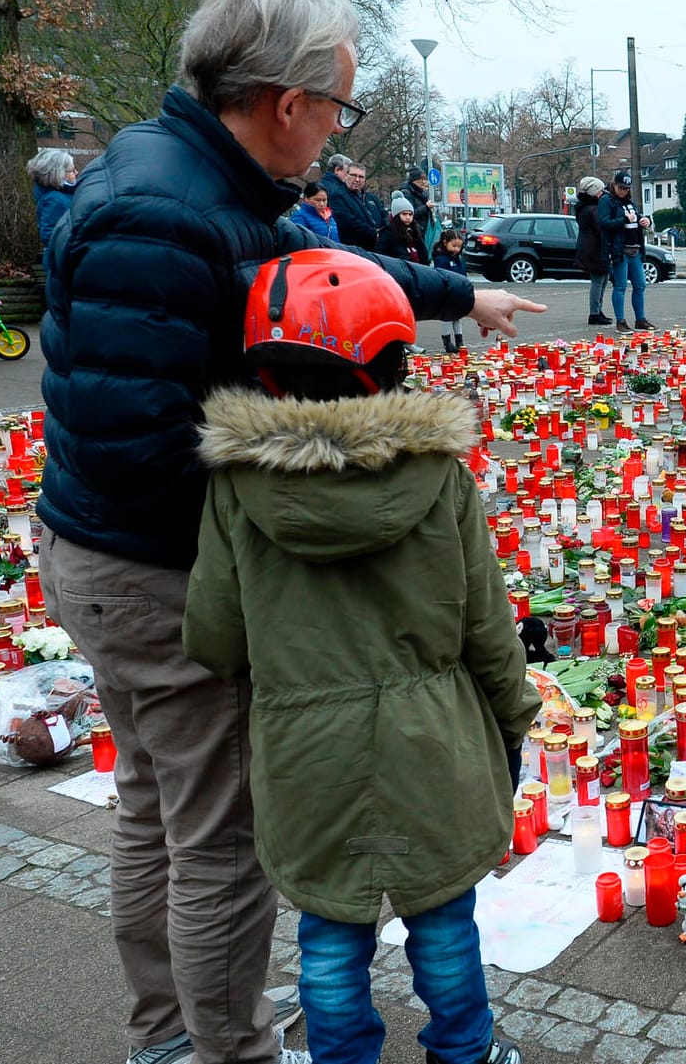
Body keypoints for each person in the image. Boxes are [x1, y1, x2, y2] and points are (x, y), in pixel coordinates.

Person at [35, 0, 545, 1063]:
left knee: (152, 807)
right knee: (217, 841)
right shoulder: (159, 215)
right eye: (341, 110)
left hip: (111, 558)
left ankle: (171, 1027)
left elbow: (302, 277)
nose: (339, 131)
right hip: (143, 569)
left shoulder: (194, 177)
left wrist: (456, 290)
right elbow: (137, 456)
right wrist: (277, 544)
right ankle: (220, 1045)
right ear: (285, 102)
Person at [185, 249, 537, 1064]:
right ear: (393, 363)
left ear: (265, 376)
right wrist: (513, 714)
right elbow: (486, 622)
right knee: (444, 919)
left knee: (330, 932)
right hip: (432, 737)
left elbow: (212, 632)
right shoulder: (438, 475)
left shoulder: (235, 484)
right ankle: (465, 1050)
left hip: (305, 747)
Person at [598, 170, 652, 331]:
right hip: (619, 250)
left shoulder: (630, 202)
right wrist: (623, 220)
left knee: (640, 285)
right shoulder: (606, 200)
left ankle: (640, 319)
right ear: (614, 185)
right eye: (621, 188)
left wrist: (645, 220)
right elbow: (604, 223)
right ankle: (620, 321)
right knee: (620, 286)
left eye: (626, 189)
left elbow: (638, 216)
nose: (623, 191)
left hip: (635, 248)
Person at [320, 153, 376, 249]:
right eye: (353, 175)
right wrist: (374, 233)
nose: (357, 180)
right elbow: (346, 222)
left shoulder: (369, 197)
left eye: (361, 177)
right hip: (353, 247)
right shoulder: (336, 194)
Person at [575, 175, 609, 326]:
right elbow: (600, 228)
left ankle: (597, 310)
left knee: (602, 279)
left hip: (589, 247)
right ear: (595, 192)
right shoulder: (593, 209)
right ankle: (594, 313)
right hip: (594, 248)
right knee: (598, 280)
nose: (604, 193)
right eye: (601, 191)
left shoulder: (583, 207)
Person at [28, 147, 78, 249]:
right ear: (58, 174)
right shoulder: (54, 200)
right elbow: (51, 237)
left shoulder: (62, 194)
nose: (76, 172)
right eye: (72, 170)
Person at [432, 229, 469, 351]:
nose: (456, 249)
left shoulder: (459, 259)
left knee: (457, 318)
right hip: (447, 292)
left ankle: (460, 340)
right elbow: (441, 276)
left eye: (459, 246)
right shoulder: (441, 259)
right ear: (445, 242)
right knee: (448, 318)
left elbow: (463, 274)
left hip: (458, 292)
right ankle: (447, 341)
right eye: (453, 246)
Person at [378, 193, 426, 263]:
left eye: (410, 214)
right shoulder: (387, 232)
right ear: (396, 215)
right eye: (404, 214)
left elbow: (423, 252)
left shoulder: (417, 230)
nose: (408, 217)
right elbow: (380, 254)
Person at [400, 166, 436, 246]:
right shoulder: (407, 193)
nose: (424, 182)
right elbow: (410, 213)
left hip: (423, 231)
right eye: (421, 179)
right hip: (414, 232)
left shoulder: (422, 193)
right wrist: (426, 207)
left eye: (425, 179)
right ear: (414, 180)